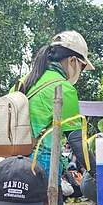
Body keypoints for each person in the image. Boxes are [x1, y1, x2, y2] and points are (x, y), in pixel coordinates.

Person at [20, 31, 93, 177]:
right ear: (72, 61)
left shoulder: (23, 82)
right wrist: (100, 174)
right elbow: (77, 142)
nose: (81, 72)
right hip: (41, 165)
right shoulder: (63, 88)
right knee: (49, 200)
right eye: (83, 67)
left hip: (9, 164)